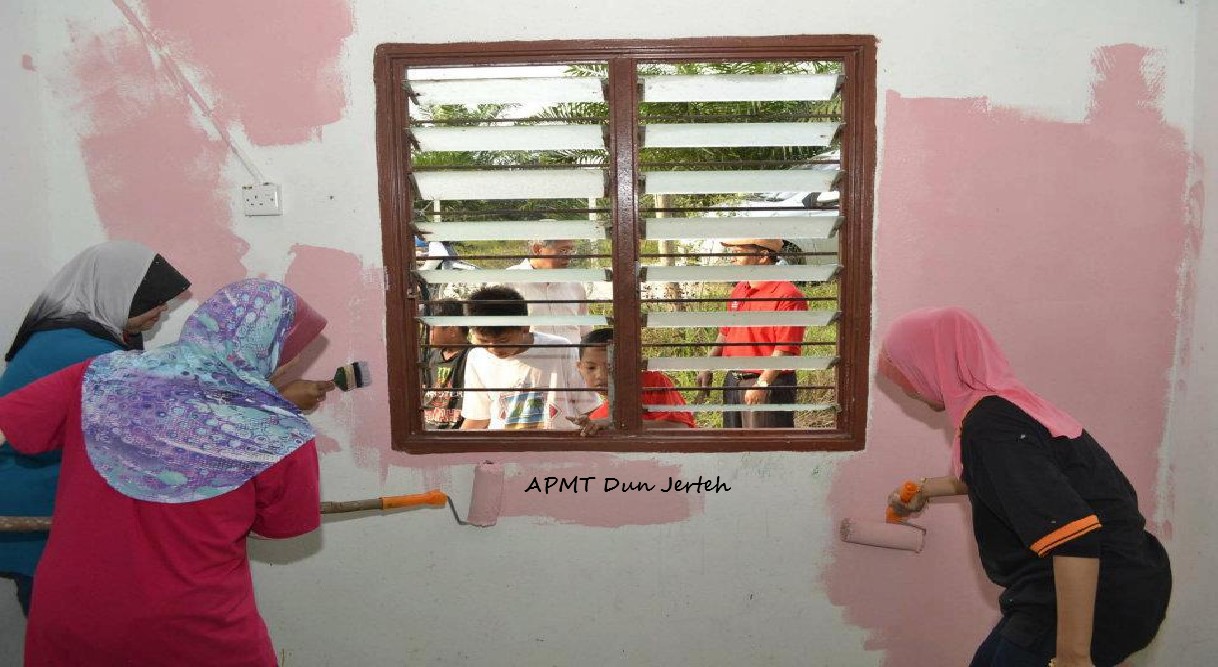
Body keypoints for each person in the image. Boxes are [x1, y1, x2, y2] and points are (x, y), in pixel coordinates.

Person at [0, 278, 326, 666]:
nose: (291, 361)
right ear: (265, 346)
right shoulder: (281, 431)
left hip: (73, 618)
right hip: (191, 629)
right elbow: (281, 527)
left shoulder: (100, 375)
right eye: (289, 348)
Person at [878, 307, 1171, 667]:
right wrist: (926, 489)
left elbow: (1074, 537)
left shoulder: (990, 426)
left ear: (930, 364)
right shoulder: (1007, 405)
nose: (906, 388)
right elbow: (1017, 480)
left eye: (906, 373)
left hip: (1090, 594)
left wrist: (1073, 657)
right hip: (1110, 579)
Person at [0, 240, 190, 616]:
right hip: (40, 506)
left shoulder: (76, 336)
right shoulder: (80, 351)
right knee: (69, 629)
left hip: (46, 500)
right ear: (117, 295)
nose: (162, 310)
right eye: (152, 300)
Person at [694, 238, 807, 428]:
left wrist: (762, 384)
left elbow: (785, 350)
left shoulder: (788, 296)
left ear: (762, 256)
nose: (732, 259)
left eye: (738, 253)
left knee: (763, 445)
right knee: (735, 443)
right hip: (734, 382)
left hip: (767, 384)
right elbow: (726, 333)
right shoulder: (740, 289)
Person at [459, 285, 596, 430]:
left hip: (557, 442)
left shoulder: (560, 350)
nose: (494, 349)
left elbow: (589, 408)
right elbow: (478, 418)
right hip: (504, 443)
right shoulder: (477, 357)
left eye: (503, 341)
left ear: (525, 327)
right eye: (484, 341)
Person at [568, 327, 695, 436]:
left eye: (611, 366)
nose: (600, 375)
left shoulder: (651, 383)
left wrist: (616, 424)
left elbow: (681, 428)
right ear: (580, 368)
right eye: (591, 368)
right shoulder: (597, 418)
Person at [503, 236, 590, 345]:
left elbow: (585, 332)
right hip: (531, 355)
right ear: (537, 249)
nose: (569, 257)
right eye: (563, 250)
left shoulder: (574, 283)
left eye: (571, 250)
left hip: (572, 354)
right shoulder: (508, 281)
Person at [422, 298, 470, 429]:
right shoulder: (429, 357)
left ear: (452, 330)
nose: (429, 334)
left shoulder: (473, 357)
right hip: (428, 432)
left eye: (432, 328)